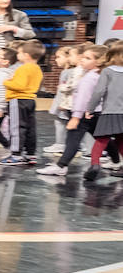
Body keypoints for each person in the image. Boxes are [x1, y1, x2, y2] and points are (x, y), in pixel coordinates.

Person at [37, 43, 104, 177]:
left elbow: (83, 98)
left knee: (73, 139)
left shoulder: (89, 78)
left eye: (87, 58)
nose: (82, 60)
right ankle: (115, 161)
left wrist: (75, 116)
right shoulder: (97, 75)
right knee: (102, 137)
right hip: (95, 112)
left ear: (99, 61)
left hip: (84, 113)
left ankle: (62, 165)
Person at [0, 38, 46, 165]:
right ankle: (30, 154)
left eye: (19, 53)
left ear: (26, 55)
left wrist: (6, 82)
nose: (17, 55)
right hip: (30, 100)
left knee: (16, 128)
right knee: (30, 127)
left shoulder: (23, 68)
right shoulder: (37, 68)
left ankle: (15, 154)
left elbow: (19, 85)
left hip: (18, 100)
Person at [82, 43, 123, 182]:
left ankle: (94, 165)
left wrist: (90, 109)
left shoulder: (107, 71)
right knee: (121, 141)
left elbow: (99, 91)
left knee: (101, 140)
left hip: (110, 112)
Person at [45, 45, 80, 156]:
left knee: (62, 122)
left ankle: (61, 144)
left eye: (59, 57)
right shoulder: (65, 72)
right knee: (60, 122)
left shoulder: (69, 72)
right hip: (61, 101)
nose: (56, 60)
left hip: (64, 102)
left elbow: (67, 89)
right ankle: (61, 143)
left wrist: (62, 104)